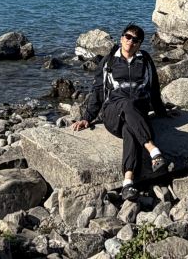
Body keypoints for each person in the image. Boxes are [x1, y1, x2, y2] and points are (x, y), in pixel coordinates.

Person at [71, 23, 169, 200]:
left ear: (139, 44)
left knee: (130, 130)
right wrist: (87, 117)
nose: (130, 41)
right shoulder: (109, 61)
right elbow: (98, 90)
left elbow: (154, 89)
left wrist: (162, 112)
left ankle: (128, 183)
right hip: (112, 112)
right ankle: (153, 150)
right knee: (127, 104)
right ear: (122, 38)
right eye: (128, 37)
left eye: (135, 40)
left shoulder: (145, 60)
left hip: (136, 113)